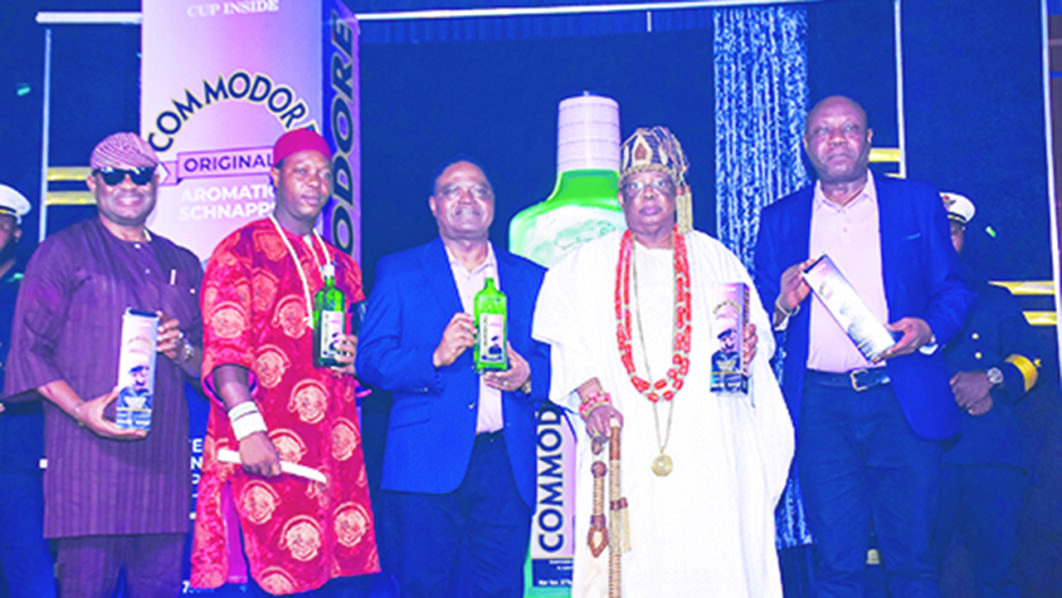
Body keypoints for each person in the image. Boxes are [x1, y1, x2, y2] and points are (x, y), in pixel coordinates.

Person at [533, 126, 794, 597]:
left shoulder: (715, 258)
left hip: (708, 439)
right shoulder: (584, 265)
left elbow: (751, 340)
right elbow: (564, 335)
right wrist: (591, 399)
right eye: (636, 187)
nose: (648, 195)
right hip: (625, 435)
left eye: (659, 184)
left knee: (713, 548)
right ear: (621, 199)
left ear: (679, 195)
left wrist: (750, 344)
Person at [753, 95, 974, 597]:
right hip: (820, 408)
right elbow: (757, 314)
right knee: (836, 565)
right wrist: (781, 304)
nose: (836, 139)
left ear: (869, 139)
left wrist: (927, 330)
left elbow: (956, 290)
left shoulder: (916, 202)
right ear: (806, 145)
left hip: (901, 397)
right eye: (823, 131)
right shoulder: (780, 218)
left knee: (914, 562)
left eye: (849, 128)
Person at [2, 132, 204, 597]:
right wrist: (81, 409)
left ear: (156, 182)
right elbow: (28, 350)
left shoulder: (183, 261)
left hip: (163, 468)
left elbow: (207, 360)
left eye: (141, 174)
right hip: (87, 467)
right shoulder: (62, 251)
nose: (128, 184)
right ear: (94, 183)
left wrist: (181, 350)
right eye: (114, 175)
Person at [190, 128, 379, 596]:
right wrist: (249, 429)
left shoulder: (342, 265)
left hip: (335, 453)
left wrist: (359, 359)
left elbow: (360, 357)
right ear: (275, 176)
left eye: (324, 174)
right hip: (267, 449)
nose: (315, 183)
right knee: (273, 575)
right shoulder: (240, 250)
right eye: (302, 171)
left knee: (335, 578)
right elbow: (225, 347)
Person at [356, 159, 550, 598]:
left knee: (501, 588)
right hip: (424, 462)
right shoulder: (400, 270)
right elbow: (370, 359)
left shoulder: (529, 277)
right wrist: (434, 357)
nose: (467, 199)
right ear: (433, 205)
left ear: (493, 203)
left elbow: (557, 359)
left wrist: (527, 375)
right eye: (452, 191)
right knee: (425, 587)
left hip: (506, 463)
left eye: (479, 190)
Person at [931, 192, 1041, 597]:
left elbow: (1035, 360)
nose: (946, 239)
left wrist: (991, 378)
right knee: (916, 575)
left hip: (991, 452)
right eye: (935, 231)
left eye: (953, 231)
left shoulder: (993, 298)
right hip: (925, 456)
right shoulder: (898, 297)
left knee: (998, 577)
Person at [0, 184, 56, 597]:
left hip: (14, 454)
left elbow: (60, 362)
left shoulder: (33, 292)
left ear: (16, 231)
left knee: (27, 569)